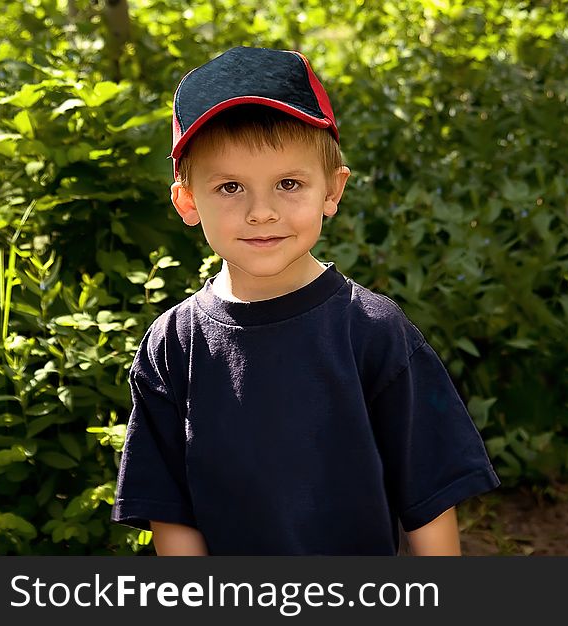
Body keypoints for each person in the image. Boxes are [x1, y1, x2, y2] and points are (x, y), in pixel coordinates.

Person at [111, 46, 500, 556]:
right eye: (230, 187)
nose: (262, 212)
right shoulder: (173, 346)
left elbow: (429, 496)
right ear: (187, 201)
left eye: (289, 184)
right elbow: (170, 514)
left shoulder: (372, 330)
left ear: (331, 192)